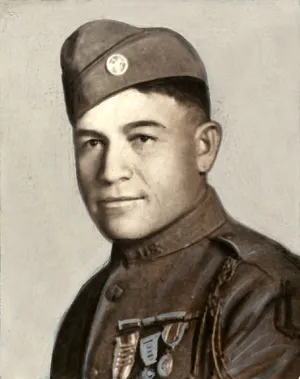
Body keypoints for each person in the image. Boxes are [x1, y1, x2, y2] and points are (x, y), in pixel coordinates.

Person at [50, 19, 300, 379]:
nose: (110, 171)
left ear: (204, 147)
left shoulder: (263, 292)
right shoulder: (87, 306)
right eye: (92, 143)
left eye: (141, 139)